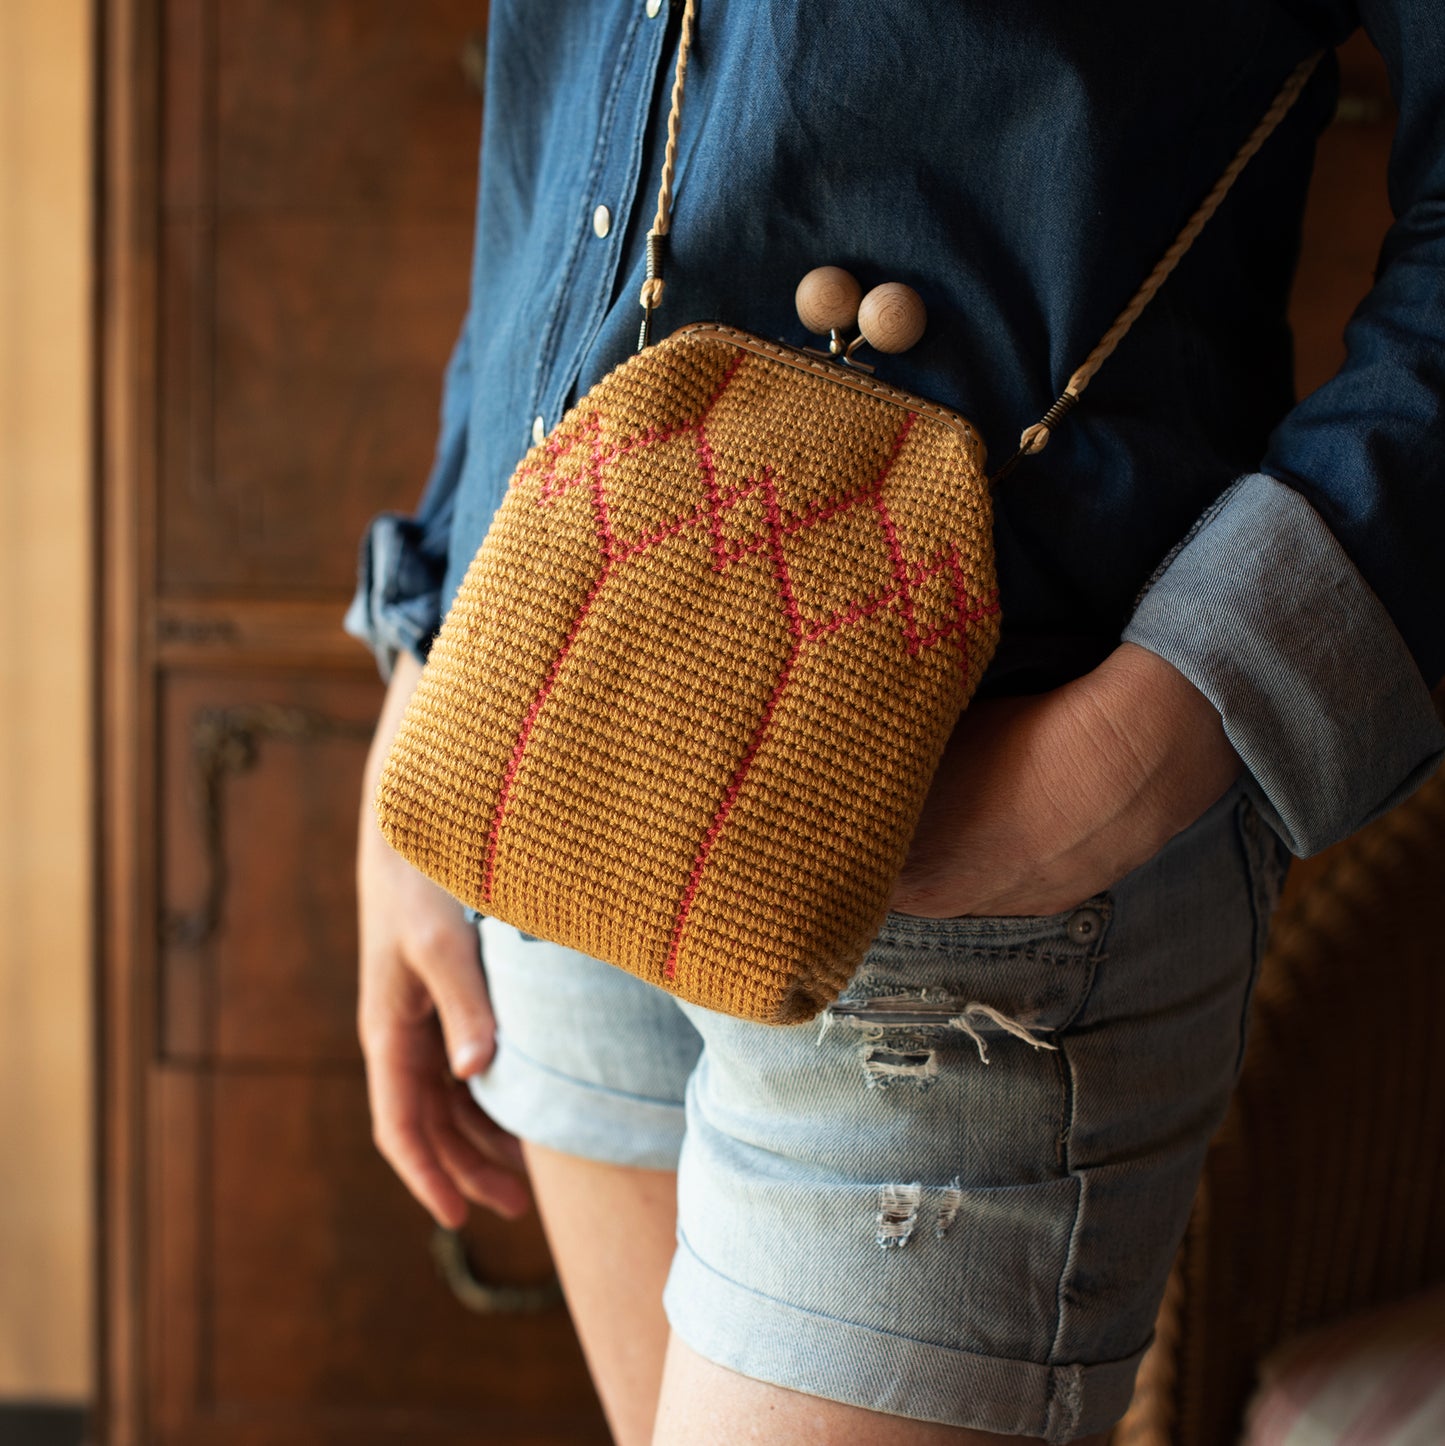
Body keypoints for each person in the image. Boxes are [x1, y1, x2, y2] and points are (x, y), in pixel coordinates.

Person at [347, 3, 1445, 1442]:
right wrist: (437, 630)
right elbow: (560, 105)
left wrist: (1161, 725)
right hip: (556, 720)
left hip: (969, 836)